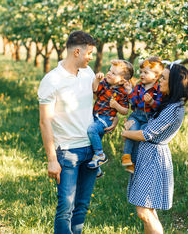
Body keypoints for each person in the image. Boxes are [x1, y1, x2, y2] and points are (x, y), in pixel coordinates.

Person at [38, 31, 118, 234]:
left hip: (90, 150)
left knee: (81, 207)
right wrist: (51, 159)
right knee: (66, 208)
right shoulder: (52, 80)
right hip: (67, 152)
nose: (91, 57)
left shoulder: (88, 73)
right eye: (89, 53)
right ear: (76, 51)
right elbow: (44, 122)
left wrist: (114, 116)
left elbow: (99, 102)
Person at [121, 63, 188, 234]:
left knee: (144, 211)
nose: (159, 80)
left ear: (174, 83)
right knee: (148, 210)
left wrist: (126, 133)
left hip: (153, 159)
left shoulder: (174, 109)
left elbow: (147, 134)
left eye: (164, 78)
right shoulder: (168, 103)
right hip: (147, 155)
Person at [87, 59, 134, 169]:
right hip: (96, 116)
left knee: (91, 130)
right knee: (91, 143)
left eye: (113, 73)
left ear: (122, 81)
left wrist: (116, 106)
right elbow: (94, 90)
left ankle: (100, 155)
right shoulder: (104, 83)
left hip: (106, 119)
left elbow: (125, 111)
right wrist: (97, 80)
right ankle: (96, 167)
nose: (108, 73)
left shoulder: (123, 92)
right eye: (109, 70)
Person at [122, 57, 164, 174]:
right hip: (136, 115)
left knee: (138, 135)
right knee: (132, 130)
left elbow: (158, 107)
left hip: (147, 118)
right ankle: (126, 155)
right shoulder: (139, 87)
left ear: (156, 76)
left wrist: (151, 102)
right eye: (141, 72)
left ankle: (133, 163)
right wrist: (130, 92)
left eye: (146, 72)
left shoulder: (158, 90)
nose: (142, 74)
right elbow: (133, 102)